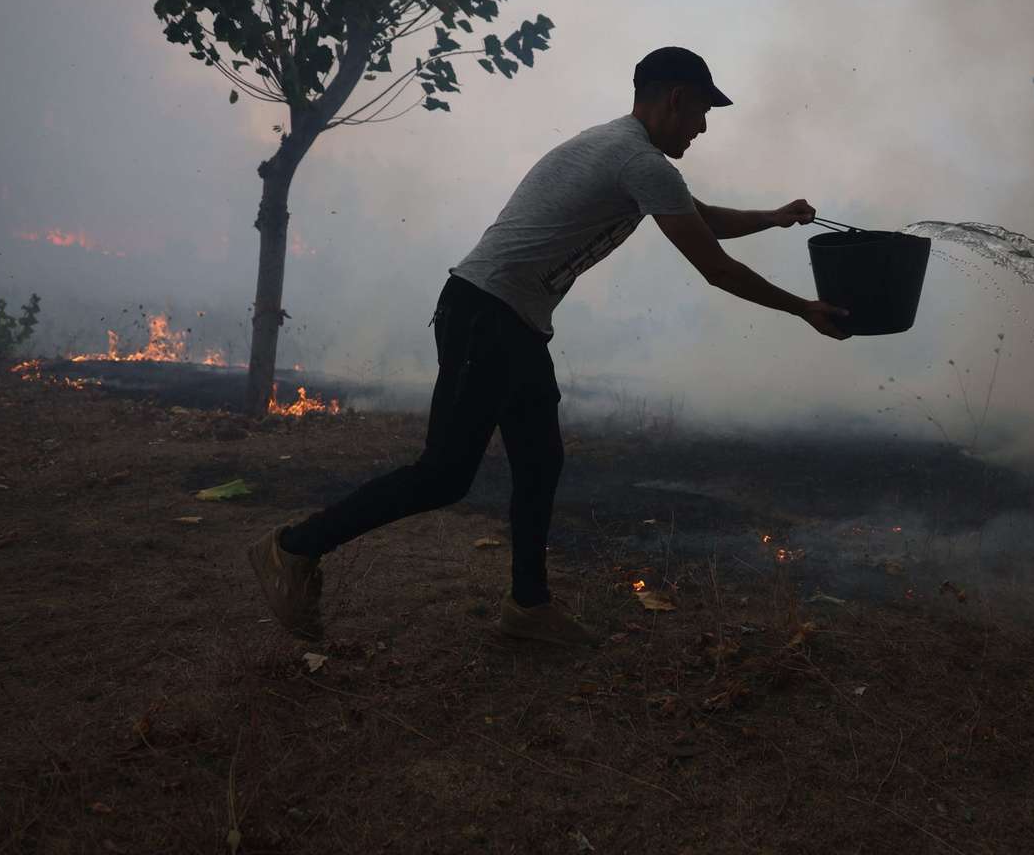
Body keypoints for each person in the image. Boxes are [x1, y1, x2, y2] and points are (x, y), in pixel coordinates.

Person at [247, 46, 849, 645]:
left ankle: (528, 607)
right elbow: (714, 267)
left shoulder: (621, 149)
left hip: (512, 320)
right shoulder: (641, 163)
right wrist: (803, 310)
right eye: (701, 111)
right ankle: (294, 548)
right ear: (675, 98)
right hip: (487, 315)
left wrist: (774, 217)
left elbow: (701, 216)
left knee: (540, 462)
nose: (703, 126)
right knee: (443, 476)